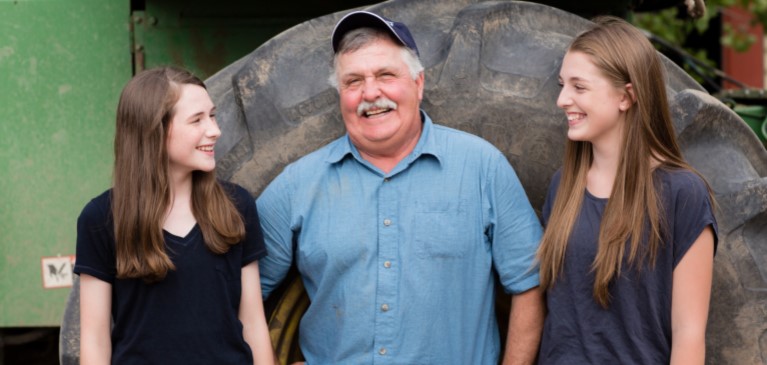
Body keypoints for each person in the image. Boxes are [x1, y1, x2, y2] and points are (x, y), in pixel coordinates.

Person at [256, 10, 544, 365]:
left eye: (385, 75)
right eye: (353, 82)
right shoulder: (296, 186)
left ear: (418, 84)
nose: (371, 93)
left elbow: (529, 285)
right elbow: (238, 297)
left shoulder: (482, 167)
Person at [536, 17, 718, 364]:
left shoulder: (683, 194)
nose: (561, 99)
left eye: (579, 86)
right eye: (562, 84)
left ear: (625, 96)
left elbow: (689, 336)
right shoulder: (564, 185)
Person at [75, 67, 275, 365]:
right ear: (154, 130)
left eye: (213, 115)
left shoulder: (237, 206)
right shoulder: (100, 218)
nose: (214, 130)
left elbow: (253, 322)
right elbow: (94, 339)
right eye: (197, 120)